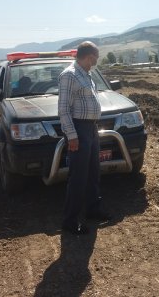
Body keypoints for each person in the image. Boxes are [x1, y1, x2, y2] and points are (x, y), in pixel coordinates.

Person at [58, 41, 111, 235]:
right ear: (88, 56)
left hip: (90, 128)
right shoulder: (69, 75)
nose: (94, 63)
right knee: (78, 177)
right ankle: (70, 221)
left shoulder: (86, 75)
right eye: (94, 60)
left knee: (93, 172)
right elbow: (63, 110)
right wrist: (72, 136)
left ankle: (93, 210)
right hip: (78, 129)